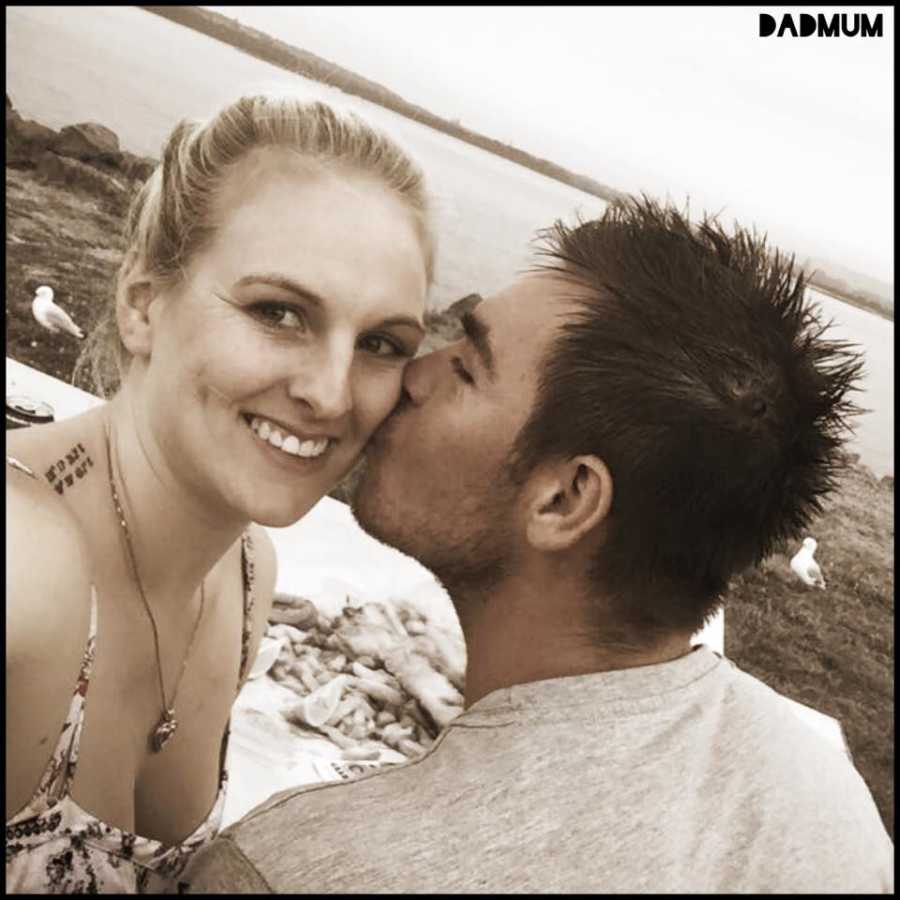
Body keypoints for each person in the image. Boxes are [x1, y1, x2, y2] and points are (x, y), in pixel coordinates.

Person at [185, 197, 893, 893]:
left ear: (564, 501)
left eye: (465, 367)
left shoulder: (299, 868)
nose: (413, 375)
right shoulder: (828, 801)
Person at [5, 92, 434, 893]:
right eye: (280, 312)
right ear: (143, 306)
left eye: (381, 343)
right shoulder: (22, 559)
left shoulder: (244, 576)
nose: (333, 393)